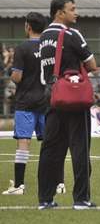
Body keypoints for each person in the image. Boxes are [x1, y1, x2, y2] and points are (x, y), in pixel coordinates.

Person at [37, 0, 97, 210]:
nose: (76, 13)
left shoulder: (43, 37)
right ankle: (81, 199)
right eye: (72, 9)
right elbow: (92, 64)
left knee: (51, 150)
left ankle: (45, 198)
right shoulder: (71, 34)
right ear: (59, 13)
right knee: (80, 149)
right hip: (73, 98)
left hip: (52, 97)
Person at [2, 12, 67, 196]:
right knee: (51, 143)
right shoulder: (50, 47)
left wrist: (13, 75)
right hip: (48, 101)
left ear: (28, 27)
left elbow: (17, 76)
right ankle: (59, 183)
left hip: (26, 101)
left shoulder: (22, 48)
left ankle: (19, 186)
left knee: (23, 142)